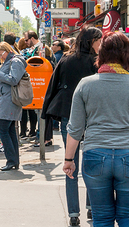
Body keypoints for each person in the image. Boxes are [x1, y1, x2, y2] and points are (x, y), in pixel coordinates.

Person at [63, 31, 129, 227]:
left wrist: (69, 159)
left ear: (101, 54)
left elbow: (75, 128)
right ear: (128, 55)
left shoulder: (85, 85)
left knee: (101, 217)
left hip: (95, 153)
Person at [42, 27, 102, 226]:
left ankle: (73, 213)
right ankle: (91, 208)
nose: (100, 44)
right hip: (92, 118)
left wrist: (46, 116)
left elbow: (52, 86)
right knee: (91, 165)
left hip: (69, 116)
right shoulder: (96, 62)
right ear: (91, 41)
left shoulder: (66, 60)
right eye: (99, 41)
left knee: (70, 165)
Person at [0, 42, 26, 171]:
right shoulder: (11, 61)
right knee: (9, 131)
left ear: (6, 51)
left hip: (10, 100)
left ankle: (11, 160)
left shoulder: (15, 61)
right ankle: (13, 161)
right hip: (6, 99)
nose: (0, 57)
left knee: (3, 130)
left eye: (1, 54)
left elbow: (13, 79)